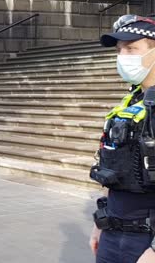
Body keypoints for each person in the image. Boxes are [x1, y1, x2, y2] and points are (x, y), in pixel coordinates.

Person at [89, 14, 155, 263]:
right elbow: (115, 169)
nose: (123, 56)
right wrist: (100, 223)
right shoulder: (133, 101)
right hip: (113, 232)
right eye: (119, 50)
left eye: (132, 48)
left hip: (146, 240)